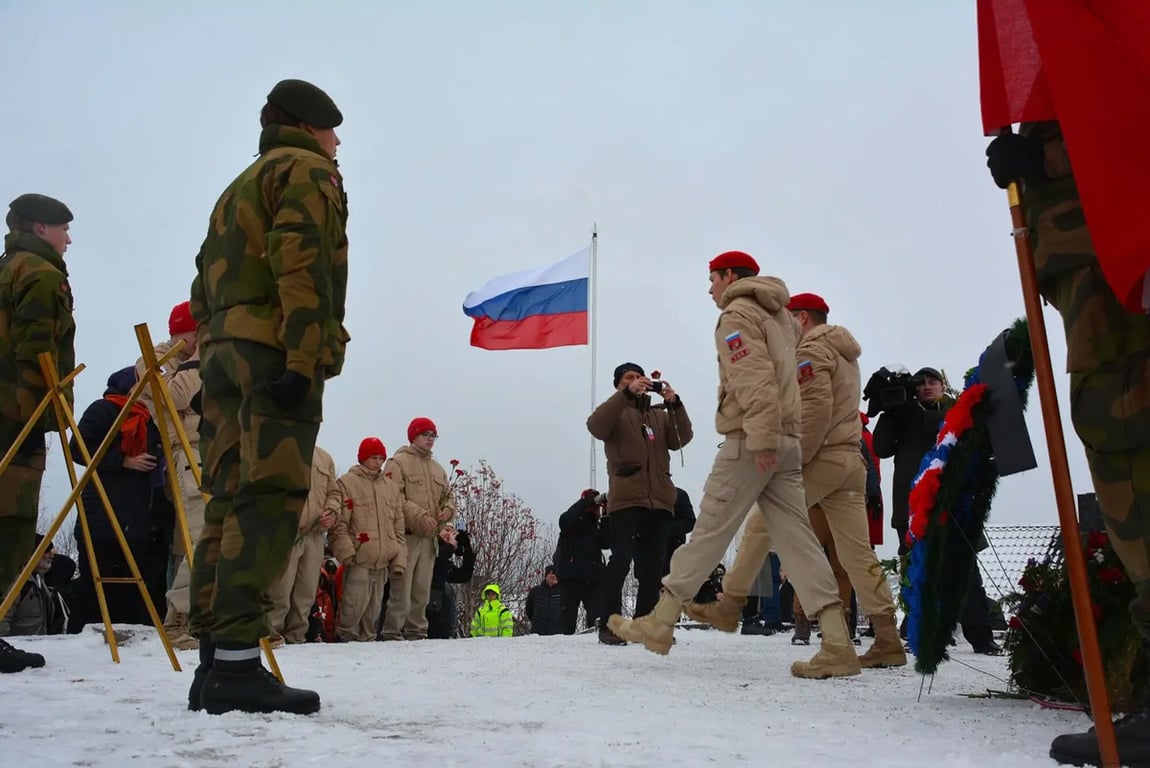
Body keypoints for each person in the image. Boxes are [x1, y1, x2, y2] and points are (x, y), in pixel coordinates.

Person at [608, 250, 859, 679]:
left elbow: (753, 377)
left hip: (752, 440)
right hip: (788, 442)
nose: (709, 288)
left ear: (729, 276)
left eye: (712, 279)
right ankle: (837, 642)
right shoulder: (782, 318)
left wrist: (760, 438)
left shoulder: (737, 315)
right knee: (799, 542)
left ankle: (660, 622)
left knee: (710, 529)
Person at [987, 123, 1150, 767]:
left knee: (1127, 438)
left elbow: (1123, 106)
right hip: (1090, 250)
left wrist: (1051, 154)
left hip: (1114, 249)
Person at [186, 77, 350, 715]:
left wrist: (213, 349)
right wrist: (304, 358)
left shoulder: (238, 187)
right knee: (268, 501)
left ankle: (213, 663)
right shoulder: (306, 172)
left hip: (224, 355)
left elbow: (202, 282)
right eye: (331, 130)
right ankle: (236, 668)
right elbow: (302, 263)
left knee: (227, 500)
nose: (336, 143)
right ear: (308, 127)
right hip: (275, 353)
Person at [0, 193, 74, 674]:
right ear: (41, 228)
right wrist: (41, 416)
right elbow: (36, 351)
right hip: (17, 415)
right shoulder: (40, 274)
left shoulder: (6, 267)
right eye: (64, 229)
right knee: (11, 522)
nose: (68, 239)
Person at [587, 362, 693, 644]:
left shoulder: (658, 415)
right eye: (628, 378)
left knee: (652, 568)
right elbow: (595, 426)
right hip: (626, 498)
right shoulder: (615, 412)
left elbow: (681, 439)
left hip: (659, 500)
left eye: (638, 377)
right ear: (618, 384)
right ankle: (610, 625)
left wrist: (674, 404)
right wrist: (625, 396)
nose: (635, 381)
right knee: (620, 561)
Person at [381, 417, 455, 641]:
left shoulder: (438, 469)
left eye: (433, 436)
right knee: (401, 590)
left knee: (422, 590)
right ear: (413, 436)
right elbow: (393, 498)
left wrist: (447, 512)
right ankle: (392, 632)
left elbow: (448, 497)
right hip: (406, 536)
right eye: (426, 435)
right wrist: (419, 517)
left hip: (429, 540)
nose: (430, 439)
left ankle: (416, 632)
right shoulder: (398, 462)